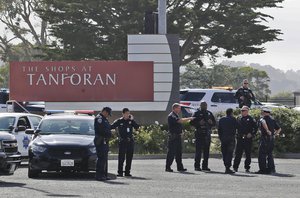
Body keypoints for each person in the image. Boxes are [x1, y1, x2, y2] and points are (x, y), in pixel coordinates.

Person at [165, 103, 194, 172]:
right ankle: (168, 167)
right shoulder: (171, 115)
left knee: (178, 153)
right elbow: (179, 121)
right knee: (171, 153)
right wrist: (189, 118)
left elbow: (179, 120)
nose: (180, 109)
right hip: (173, 137)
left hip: (177, 136)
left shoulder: (176, 115)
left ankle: (180, 167)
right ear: (174, 108)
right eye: (178, 108)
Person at [111, 108, 139, 177]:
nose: (128, 115)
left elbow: (137, 127)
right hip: (123, 141)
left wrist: (132, 120)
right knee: (121, 158)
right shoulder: (119, 121)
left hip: (130, 141)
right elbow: (112, 126)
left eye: (128, 113)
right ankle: (120, 172)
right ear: (123, 114)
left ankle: (127, 172)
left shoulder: (130, 121)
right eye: (126, 113)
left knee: (129, 158)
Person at [190, 101, 216, 171]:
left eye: (205, 105)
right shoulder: (196, 113)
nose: (204, 106)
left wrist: (212, 123)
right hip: (199, 134)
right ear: (200, 105)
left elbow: (214, 123)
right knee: (198, 151)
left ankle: (205, 166)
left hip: (207, 134)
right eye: (203, 105)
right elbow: (191, 123)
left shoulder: (209, 113)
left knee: (206, 152)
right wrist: (198, 123)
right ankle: (197, 166)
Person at [256, 107, 281, 174]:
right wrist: (274, 134)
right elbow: (279, 129)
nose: (261, 113)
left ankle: (263, 169)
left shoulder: (263, 119)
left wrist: (267, 131)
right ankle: (271, 169)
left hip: (265, 138)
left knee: (262, 154)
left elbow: (264, 123)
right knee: (269, 154)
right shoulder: (272, 120)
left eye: (262, 112)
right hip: (271, 139)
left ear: (265, 112)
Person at [233, 106, 258, 173]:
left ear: (247, 111)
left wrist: (251, 134)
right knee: (238, 153)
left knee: (248, 154)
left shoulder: (251, 119)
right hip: (240, 138)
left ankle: (247, 167)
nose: (242, 112)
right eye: (241, 110)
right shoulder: (238, 118)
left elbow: (255, 128)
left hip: (247, 139)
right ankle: (235, 167)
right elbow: (235, 127)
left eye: (243, 110)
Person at [94, 107, 112, 181]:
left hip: (104, 141)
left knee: (104, 159)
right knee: (101, 159)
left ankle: (104, 174)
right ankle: (99, 175)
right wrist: (108, 134)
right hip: (101, 141)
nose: (108, 115)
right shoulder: (99, 119)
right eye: (107, 113)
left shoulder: (104, 119)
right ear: (104, 111)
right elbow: (101, 131)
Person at [218, 108, 238, 174]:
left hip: (223, 138)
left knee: (224, 152)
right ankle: (227, 167)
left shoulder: (221, 119)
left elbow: (219, 130)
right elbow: (237, 127)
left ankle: (226, 165)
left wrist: (220, 137)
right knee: (229, 153)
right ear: (231, 112)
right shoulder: (233, 119)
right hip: (231, 138)